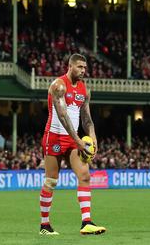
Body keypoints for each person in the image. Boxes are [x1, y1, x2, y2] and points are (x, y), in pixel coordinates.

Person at [38, 53, 106, 236]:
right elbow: (63, 116)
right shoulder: (58, 86)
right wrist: (78, 140)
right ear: (70, 66)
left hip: (72, 140)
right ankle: (44, 225)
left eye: (85, 67)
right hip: (54, 138)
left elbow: (87, 120)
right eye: (80, 67)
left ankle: (86, 222)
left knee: (84, 175)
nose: (83, 71)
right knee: (51, 181)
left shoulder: (85, 90)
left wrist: (93, 138)